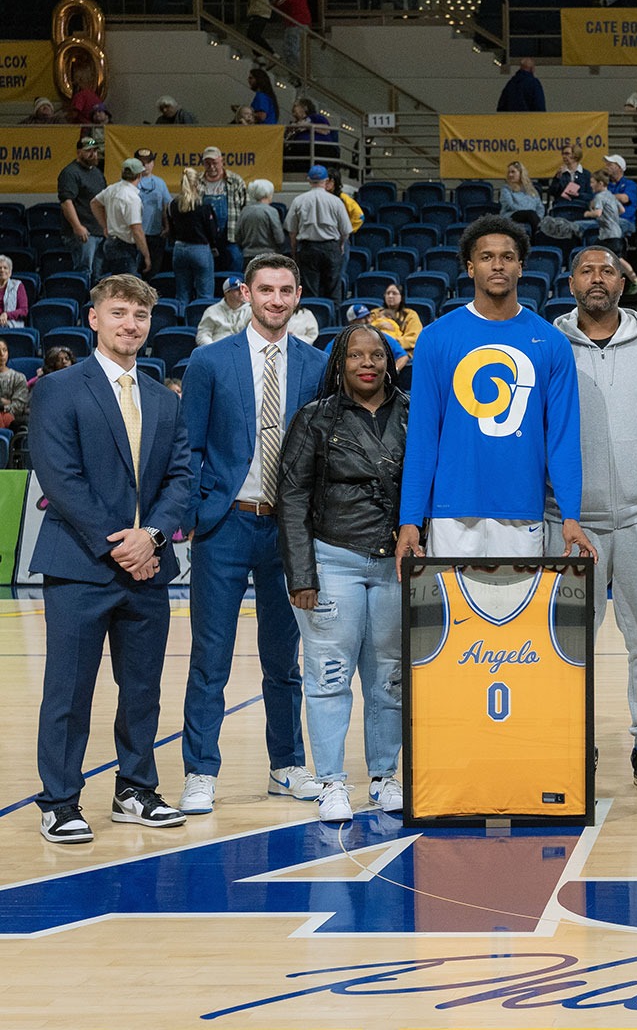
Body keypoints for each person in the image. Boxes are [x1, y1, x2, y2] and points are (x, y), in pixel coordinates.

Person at [29, 274, 193, 843]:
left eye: (141, 316)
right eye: (119, 312)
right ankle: (59, 800)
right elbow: (61, 479)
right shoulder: (58, 388)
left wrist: (151, 535)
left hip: (147, 567)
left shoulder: (161, 397)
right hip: (80, 564)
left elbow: (181, 478)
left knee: (143, 687)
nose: (130, 324)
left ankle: (135, 790)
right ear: (94, 318)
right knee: (69, 689)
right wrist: (121, 543)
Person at [177, 253, 328, 815]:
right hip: (225, 524)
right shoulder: (210, 362)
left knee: (283, 660)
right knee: (210, 658)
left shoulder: (316, 365)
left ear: (298, 295)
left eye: (286, 290)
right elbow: (187, 448)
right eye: (265, 289)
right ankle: (200, 770)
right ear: (245, 293)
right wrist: (194, 514)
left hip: (288, 531)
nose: (276, 299)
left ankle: (286, 766)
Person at [550, 245, 637, 796]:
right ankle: (573, 740)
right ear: (570, 281)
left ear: (622, 281)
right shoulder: (548, 346)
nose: (596, 278)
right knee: (568, 640)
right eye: (585, 269)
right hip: (570, 521)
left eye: (607, 270)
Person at [396, 215, 592, 562]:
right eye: (486, 257)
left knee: (517, 617)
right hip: (451, 509)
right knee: (454, 618)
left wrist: (570, 515)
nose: (497, 265)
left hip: (522, 509)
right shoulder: (436, 337)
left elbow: (562, 438)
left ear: (521, 266)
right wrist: (410, 518)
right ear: (470, 268)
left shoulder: (551, 342)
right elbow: (423, 435)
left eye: (507, 257)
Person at [276, 320, 408, 822]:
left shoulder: (413, 415)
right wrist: (301, 574)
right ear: (339, 363)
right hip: (332, 562)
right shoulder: (314, 418)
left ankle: (384, 776)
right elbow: (290, 497)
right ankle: (332, 781)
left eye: (377, 355)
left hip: (395, 565)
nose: (368, 363)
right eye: (356, 355)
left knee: (389, 679)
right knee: (329, 675)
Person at [287, 164, 351, 303]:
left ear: (309, 180)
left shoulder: (299, 200)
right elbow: (345, 231)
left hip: (308, 248)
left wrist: (294, 251)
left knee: (310, 292)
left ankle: (313, 321)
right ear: (326, 180)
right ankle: (335, 322)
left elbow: (292, 231)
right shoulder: (336, 201)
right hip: (331, 247)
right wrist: (340, 246)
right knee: (334, 290)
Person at [166, 168, 222, 303]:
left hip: (179, 250)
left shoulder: (173, 204)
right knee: (205, 293)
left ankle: (181, 321)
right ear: (197, 184)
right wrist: (214, 245)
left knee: (182, 293)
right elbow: (212, 231)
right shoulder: (204, 205)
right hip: (200, 250)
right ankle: (202, 321)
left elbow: (171, 230)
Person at [58, 135, 107, 282]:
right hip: (84, 234)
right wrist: (77, 226)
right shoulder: (70, 173)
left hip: (98, 231)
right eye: (89, 151)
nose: (93, 154)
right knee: (84, 272)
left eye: (95, 151)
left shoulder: (97, 172)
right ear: (79, 152)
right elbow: (66, 202)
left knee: (97, 276)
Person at [93, 158, 153, 278]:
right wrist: (146, 255)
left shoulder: (112, 189)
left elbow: (94, 203)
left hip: (111, 242)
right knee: (127, 288)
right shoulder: (132, 198)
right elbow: (136, 229)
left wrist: (105, 226)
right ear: (140, 175)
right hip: (124, 247)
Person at [201, 147, 252, 272]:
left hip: (231, 237)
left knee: (235, 271)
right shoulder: (196, 182)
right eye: (208, 163)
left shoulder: (235, 181)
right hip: (204, 240)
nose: (212, 167)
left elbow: (246, 210)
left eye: (215, 163)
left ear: (222, 161)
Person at [274, 0, 311, 68]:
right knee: (299, 51)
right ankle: (305, 75)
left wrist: (276, 5)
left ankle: (296, 77)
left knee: (290, 50)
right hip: (303, 20)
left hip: (294, 20)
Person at [198, 276, 255, 345]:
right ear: (226, 293)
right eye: (237, 290)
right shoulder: (212, 311)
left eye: (242, 289)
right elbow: (202, 335)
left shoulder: (251, 311)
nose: (241, 292)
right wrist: (212, 350)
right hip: (219, 349)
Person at [579, 169, 625, 250]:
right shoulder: (611, 195)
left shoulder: (599, 197)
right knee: (597, 253)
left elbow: (598, 213)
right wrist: (610, 215)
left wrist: (587, 213)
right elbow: (622, 210)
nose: (590, 185)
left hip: (609, 235)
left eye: (592, 182)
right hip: (614, 233)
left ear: (600, 183)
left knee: (615, 258)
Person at [602, 154, 637, 236]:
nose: (606, 166)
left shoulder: (630, 184)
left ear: (619, 167)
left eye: (610, 164)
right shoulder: (605, 185)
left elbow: (625, 198)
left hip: (625, 220)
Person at [500, 160, 545, 227]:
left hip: (531, 217)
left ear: (521, 173)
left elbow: (540, 207)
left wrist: (538, 217)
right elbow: (510, 206)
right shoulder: (506, 189)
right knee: (531, 214)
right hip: (511, 215)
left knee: (533, 216)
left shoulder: (531, 189)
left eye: (513, 172)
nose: (510, 175)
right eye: (509, 172)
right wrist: (529, 211)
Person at [550, 142, 592, 207]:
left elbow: (590, 195)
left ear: (576, 155)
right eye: (563, 154)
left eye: (567, 154)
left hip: (580, 206)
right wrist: (557, 179)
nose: (564, 156)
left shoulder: (586, 174)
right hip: (563, 206)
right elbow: (552, 192)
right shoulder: (561, 173)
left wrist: (578, 195)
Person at [0, 255, 27, 322]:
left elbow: (24, 310)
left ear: (10, 272)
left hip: (10, 324)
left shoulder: (17, 286)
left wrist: (7, 315)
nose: (2, 270)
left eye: (5, 268)